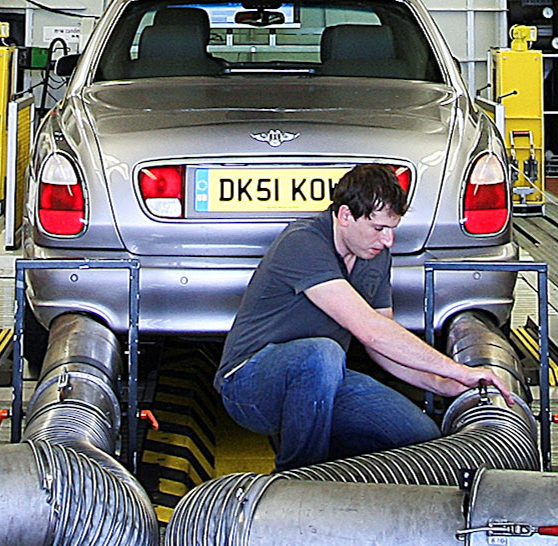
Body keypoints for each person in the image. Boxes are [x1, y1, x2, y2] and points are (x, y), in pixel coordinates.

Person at [215, 163, 516, 470]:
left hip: (324, 379)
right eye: (378, 228)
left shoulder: (373, 253)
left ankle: (343, 479)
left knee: (420, 439)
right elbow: (371, 331)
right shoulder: (302, 243)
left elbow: (382, 345)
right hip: (249, 384)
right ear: (345, 216)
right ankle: (294, 481)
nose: (387, 241)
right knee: (322, 352)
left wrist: (442, 383)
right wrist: (460, 370)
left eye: (391, 229)